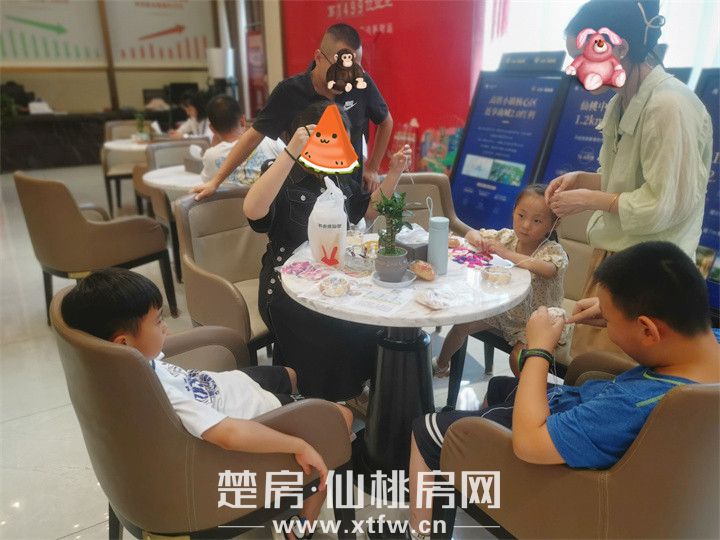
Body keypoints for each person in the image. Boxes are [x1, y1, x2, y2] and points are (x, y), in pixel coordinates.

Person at [407, 241, 720, 540]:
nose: (608, 326)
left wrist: (539, 350)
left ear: (648, 330)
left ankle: (420, 530)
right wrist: (612, 312)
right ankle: (474, 476)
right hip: (575, 415)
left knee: (427, 429)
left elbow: (530, 443)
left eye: (610, 321)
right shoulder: (705, 350)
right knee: (500, 386)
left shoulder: (629, 406)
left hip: (548, 455)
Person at [61, 268, 354, 536]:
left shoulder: (123, 367)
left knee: (289, 374)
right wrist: (299, 445)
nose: (166, 329)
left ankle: (305, 408)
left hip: (233, 388)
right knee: (339, 419)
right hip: (253, 415)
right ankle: (302, 526)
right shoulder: (160, 396)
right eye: (158, 321)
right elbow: (229, 435)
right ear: (123, 343)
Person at [545, 0, 713, 358]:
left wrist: (588, 200)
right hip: (616, 260)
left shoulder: (669, 106)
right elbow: (623, 182)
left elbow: (664, 204)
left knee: (612, 373)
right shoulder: (622, 100)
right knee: (588, 365)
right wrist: (582, 180)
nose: (577, 68)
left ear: (620, 47)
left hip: (651, 276)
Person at [244, 100, 411, 401]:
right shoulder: (280, 170)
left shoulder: (340, 172)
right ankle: (320, 399)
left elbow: (367, 211)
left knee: (374, 320)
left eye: (342, 138)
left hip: (334, 277)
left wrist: (395, 173)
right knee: (334, 329)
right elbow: (254, 211)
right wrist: (291, 152)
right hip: (286, 287)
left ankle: (356, 388)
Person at [193, 23, 393, 200]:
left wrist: (372, 167)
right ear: (319, 58)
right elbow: (253, 136)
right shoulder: (289, 92)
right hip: (303, 198)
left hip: (350, 192)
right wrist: (216, 181)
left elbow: (385, 121)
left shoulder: (361, 84)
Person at [434, 184, 570, 378]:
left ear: (553, 225)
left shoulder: (553, 251)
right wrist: (479, 240)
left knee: (518, 358)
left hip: (538, 320)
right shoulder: (507, 236)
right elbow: (472, 234)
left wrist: (506, 253)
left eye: (537, 220)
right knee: (461, 325)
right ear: (513, 211)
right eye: (521, 215)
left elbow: (547, 269)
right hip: (505, 310)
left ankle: (523, 391)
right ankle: (440, 366)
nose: (525, 225)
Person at [201, 94, 285, 185]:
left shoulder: (210, 155)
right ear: (242, 121)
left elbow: (207, 185)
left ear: (212, 129)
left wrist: (214, 148)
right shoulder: (270, 140)